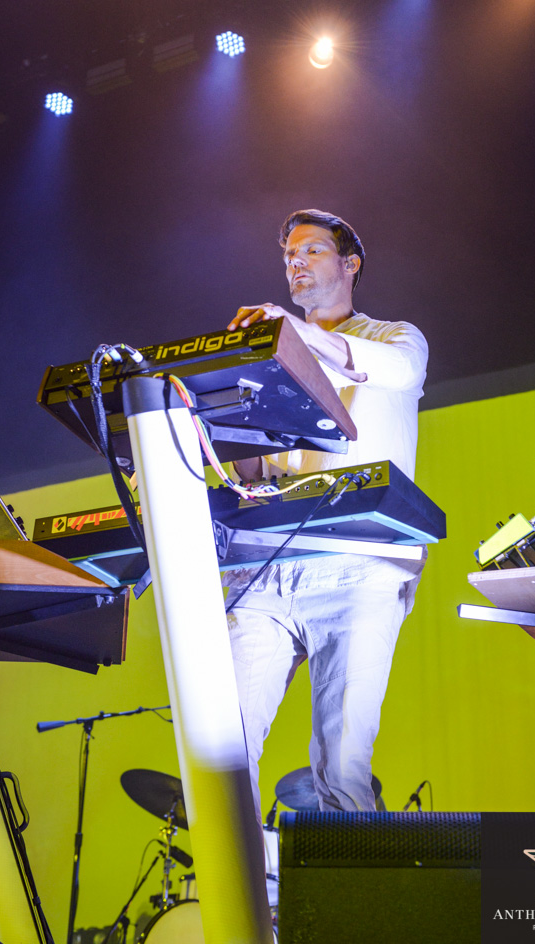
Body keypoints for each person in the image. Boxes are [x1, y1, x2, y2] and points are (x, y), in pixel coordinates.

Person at [224, 209, 428, 819]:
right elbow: (252, 474)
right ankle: (248, 902)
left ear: (350, 264)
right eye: (289, 254)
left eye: (311, 250)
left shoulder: (396, 336)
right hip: (270, 564)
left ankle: (356, 908)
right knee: (221, 748)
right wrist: (232, 422)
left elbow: (394, 370)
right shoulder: (272, 355)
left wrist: (293, 334)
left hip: (361, 563)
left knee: (341, 764)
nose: (295, 262)